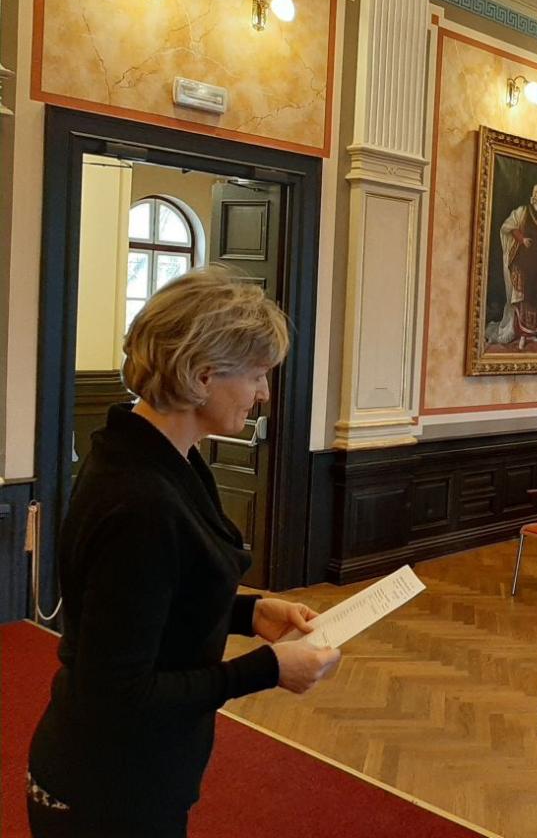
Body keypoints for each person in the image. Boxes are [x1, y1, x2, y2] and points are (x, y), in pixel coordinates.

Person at [26, 267, 341, 838]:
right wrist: (268, 669)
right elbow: (119, 693)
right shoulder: (140, 499)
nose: (264, 393)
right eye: (257, 374)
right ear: (203, 374)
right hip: (107, 791)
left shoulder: (160, 456)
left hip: (135, 772)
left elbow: (159, 597)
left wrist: (250, 612)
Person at [486, 182, 537, 349]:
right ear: (532, 195)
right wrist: (522, 239)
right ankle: (521, 335)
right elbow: (508, 227)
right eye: (536, 192)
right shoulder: (522, 211)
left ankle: (531, 334)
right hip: (524, 262)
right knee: (523, 298)